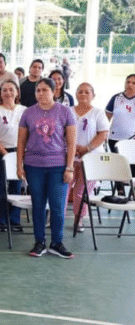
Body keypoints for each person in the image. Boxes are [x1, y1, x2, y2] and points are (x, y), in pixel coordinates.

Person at [17, 78, 77, 259]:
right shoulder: (28, 113)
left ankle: (57, 243)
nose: (41, 93)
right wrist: (19, 165)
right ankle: (39, 242)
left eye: (45, 90)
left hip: (58, 166)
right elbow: (21, 142)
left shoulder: (65, 112)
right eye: (38, 90)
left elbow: (71, 142)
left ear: (54, 91)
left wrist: (69, 167)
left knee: (58, 206)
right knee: (38, 205)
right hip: (33, 166)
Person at [0, 80, 26, 232]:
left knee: (17, 186)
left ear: (17, 92)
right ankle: (0, 220)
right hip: (0, 153)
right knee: (1, 186)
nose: (8, 93)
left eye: (11, 89)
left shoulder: (24, 110)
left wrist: (20, 154)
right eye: (4, 90)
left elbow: (27, 133)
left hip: (20, 152)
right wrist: (5, 153)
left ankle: (14, 220)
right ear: (0, 93)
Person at [69, 83, 109, 231]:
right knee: (63, 189)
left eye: (87, 92)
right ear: (76, 94)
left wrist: (87, 148)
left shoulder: (98, 112)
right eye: (80, 92)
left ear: (93, 95)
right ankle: (55, 217)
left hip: (92, 158)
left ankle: (79, 219)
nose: (83, 94)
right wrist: (74, 149)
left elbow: (103, 134)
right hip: (70, 157)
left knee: (81, 192)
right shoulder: (68, 111)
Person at [105, 73, 135, 183]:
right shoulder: (116, 98)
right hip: (115, 138)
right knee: (117, 166)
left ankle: (132, 191)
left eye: (133, 83)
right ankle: (119, 189)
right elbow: (106, 117)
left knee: (131, 166)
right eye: (128, 82)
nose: (130, 85)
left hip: (131, 140)